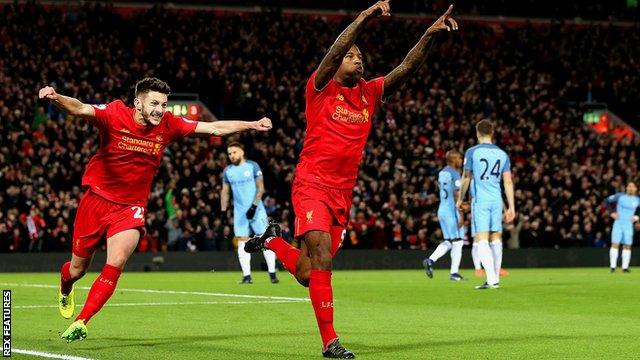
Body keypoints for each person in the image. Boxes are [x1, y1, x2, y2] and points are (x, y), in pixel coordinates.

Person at [244, 2, 458, 358]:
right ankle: (331, 342)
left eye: (360, 57)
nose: (358, 60)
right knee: (324, 260)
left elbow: (406, 67)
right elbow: (334, 50)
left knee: (306, 273)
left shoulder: (370, 93)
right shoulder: (320, 88)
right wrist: (363, 18)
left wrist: (429, 35)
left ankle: (272, 242)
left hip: (342, 193)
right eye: (352, 56)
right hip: (311, 184)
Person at [38, 77, 272, 342]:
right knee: (77, 270)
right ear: (138, 103)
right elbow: (80, 108)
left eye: (163, 104)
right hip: (96, 201)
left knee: (115, 263)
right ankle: (65, 285)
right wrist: (55, 97)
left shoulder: (168, 123)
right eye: (154, 103)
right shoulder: (114, 114)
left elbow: (215, 128)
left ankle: (82, 320)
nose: (160, 109)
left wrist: (252, 125)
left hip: (131, 208)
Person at [457, 119, 515, 289]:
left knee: (481, 239)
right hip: (497, 199)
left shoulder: (471, 152)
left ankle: (491, 280)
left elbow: (466, 177)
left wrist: (461, 198)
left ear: (477, 133)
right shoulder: (502, 154)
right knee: (496, 238)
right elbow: (508, 182)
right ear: (492, 133)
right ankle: (494, 278)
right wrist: (511, 207)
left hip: (481, 200)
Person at [221, 142, 278, 284]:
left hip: (257, 210)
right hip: (240, 213)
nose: (231, 156)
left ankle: (272, 274)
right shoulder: (228, 171)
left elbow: (261, 188)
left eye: (234, 152)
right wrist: (223, 210)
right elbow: (225, 191)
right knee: (241, 241)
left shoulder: (253, 166)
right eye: (229, 153)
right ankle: (247, 276)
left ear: (242, 151)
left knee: (266, 239)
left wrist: (253, 207)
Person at [423, 150, 466, 281]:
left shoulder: (442, 172)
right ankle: (454, 273)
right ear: (453, 160)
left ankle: (430, 260)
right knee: (458, 242)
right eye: (458, 158)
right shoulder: (455, 173)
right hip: (451, 210)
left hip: (442, 209)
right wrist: (461, 214)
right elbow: (456, 194)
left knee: (449, 241)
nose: (460, 160)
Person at [604, 182, 640, 272]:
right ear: (626, 188)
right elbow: (607, 201)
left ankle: (625, 267)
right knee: (615, 244)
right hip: (618, 223)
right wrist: (611, 212)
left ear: (636, 189)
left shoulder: (637, 199)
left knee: (627, 246)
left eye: (633, 186)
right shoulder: (619, 196)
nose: (630, 188)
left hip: (628, 225)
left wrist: (637, 217)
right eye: (629, 186)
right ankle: (612, 267)